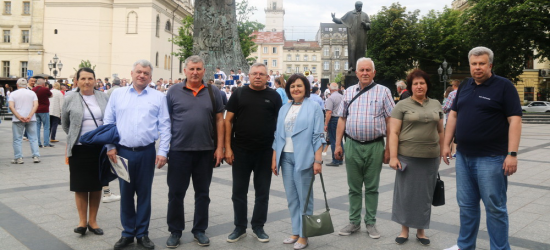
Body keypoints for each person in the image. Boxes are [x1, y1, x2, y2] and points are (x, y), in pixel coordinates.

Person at [443, 47, 522, 250]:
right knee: (467, 207)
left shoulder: (504, 86)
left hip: (492, 158)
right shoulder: (465, 85)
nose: (477, 67)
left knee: (495, 209)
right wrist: (445, 143)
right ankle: (465, 245)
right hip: (463, 157)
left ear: (490, 65)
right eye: (474, 64)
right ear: (470, 65)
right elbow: (453, 115)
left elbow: (514, 120)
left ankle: (500, 248)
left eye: (482, 63)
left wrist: (512, 154)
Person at [104, 60, 171, 250]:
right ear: (132, 73)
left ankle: (142, 233)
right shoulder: (118, 94)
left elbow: (165, 125)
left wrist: (163, 151)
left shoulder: (158, 97)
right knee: (126, 194)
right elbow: (108, 121)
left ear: (150, 77)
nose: (142, 75)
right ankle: (127, 233)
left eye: (146, 73)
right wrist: (110, 146)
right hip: (121, 152)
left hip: (146, 153)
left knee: (144, 194)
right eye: (139, 72)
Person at [165, 55, 225, 248]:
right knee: (176, 193)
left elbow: (219, 121)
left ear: (203, 71)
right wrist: (164, 149)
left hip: (205, 151)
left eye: (198, 69)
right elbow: (166, 123)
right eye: (191, 69)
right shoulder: (173, 91)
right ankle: (175, 231)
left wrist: (220, 148)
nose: (195, 72)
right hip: (178, 151)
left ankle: (199, 230)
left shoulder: (213, 91)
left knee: (202, 193)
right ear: (185, 70)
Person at [334, 57, 394, 238]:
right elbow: (342, 119)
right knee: (353, 188)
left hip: (375, 145)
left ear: (374, 73)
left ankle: (371, 222)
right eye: (362, 70)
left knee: (372, 187)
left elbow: (391, 121)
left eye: (368, 70)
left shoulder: (384, 92)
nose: (365, 73)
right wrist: (338, 144)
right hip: (351, 144)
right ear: (357, 73)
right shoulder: (349, 92)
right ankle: (354, 222)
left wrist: (389, 149)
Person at [224, 63, 283, 243]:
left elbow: (280, 127)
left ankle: (258, 226)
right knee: (238, 192)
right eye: (255, 73)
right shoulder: (238, 94)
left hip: (265, 152)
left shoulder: (274, 96)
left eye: (261, 74)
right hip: (241, 151)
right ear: (249, 76)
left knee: (262, 192)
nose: (258, 76)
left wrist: (275, 154)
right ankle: (239, 227)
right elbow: (228, 122)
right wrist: (228, 148)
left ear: (267, 77)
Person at [387, 69, 444, 246]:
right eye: (415, 83)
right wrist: (393, 156)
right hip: (407, 158)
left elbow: (440, 130)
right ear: (411, 87)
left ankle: (421, 230)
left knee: (425, 195)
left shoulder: (436, 104)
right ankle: (404, 230)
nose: (419, 86)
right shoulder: (402, 105)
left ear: (427, 85)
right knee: (406, 194)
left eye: (422, 83)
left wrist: (443, 151)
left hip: (430, 157)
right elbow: (394, 132)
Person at [271, 74, 324, 250]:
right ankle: (295, 230)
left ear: (306, 88)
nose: (296, 89)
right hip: (285, 157)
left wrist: (318, 160)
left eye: (299, 86)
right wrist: (274, 157)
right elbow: (277, 135)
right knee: (292, 198)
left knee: (304, 198)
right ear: (288, 89)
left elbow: (318, 135)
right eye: (292, 86)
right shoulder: (284, 108)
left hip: (305, 158)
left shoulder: (314, 107)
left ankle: (304, 234)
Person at [62, 67, 109, 236]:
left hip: (99, 148)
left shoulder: (104, 97)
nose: (87, 82)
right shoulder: (70, 98)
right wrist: (76, 137)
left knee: (96, 186)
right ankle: (82, 222)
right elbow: (65, 123)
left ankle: (93, 221)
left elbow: (109, 119)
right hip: (79, 149)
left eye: (90, 78)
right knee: (80, 186)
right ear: (77, 81)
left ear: (96, 80)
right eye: (83, 79)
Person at [331, 1, 371, 72]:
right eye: (359, 6)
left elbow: (369, 25)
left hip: (361, 36)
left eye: (361, 6)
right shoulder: (350, 14)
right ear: (355, 6)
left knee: (361, 50)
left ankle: (361, 67)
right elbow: (341, 21)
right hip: (352, 35)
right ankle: (352, 67)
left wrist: (365, 24)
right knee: (352, 50)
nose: (360, 8)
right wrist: (334, 18)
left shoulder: (365, 15)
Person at [9, 78, 40, 164]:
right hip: (31, 118)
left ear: (17, 85)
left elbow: (11, 106)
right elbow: (36, 105)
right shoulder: (32, 93)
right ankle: (36, 156)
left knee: (17, 139)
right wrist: (30, 115)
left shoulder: (13, 94)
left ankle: (18, 158)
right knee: (33, 138)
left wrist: (19, 116)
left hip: (17, 119)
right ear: (26, 85)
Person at [324, 82, 344, 166]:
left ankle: (335, 160)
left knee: (333, 140)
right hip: (341, 119)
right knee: (340, 140)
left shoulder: (331, 98)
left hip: (333, 119)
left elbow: (329, 112)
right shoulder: (342, 97)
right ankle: (340, 158)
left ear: (330, 89)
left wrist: (325, 124)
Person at [32, 77, 54, 148]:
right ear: (43, 84)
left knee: (37, 127)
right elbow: (51, 95)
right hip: (44, 110)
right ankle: (46, 143)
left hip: (36, 110)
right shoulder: (45, 89)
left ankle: (38, 143)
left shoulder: (33, 89)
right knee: (46, 127)